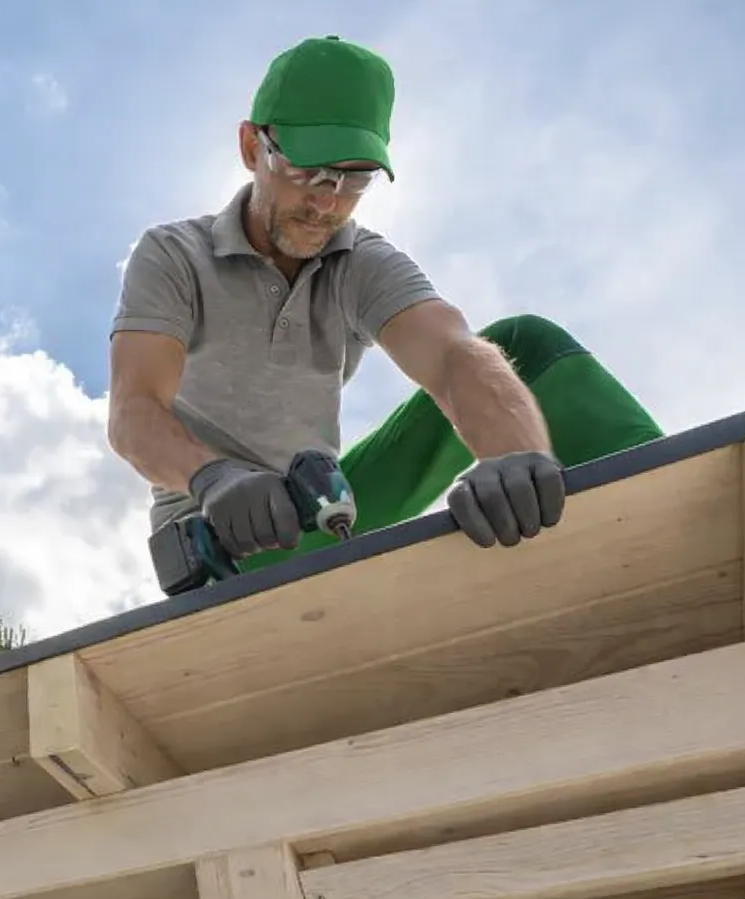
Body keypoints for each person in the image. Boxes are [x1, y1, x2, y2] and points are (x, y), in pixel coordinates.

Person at [106, 34, 663, 577]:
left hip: (324, 509)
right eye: (308, 171)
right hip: (227, 535)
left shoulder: (360, 260)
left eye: (355, 179)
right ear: (253, 148)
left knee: (524, 346)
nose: (327, 201)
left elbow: (450, 356)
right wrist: (213, 477)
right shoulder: (175, 255)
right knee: (244, 517)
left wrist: (514, 456)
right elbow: (133, 412)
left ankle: (677, 509)